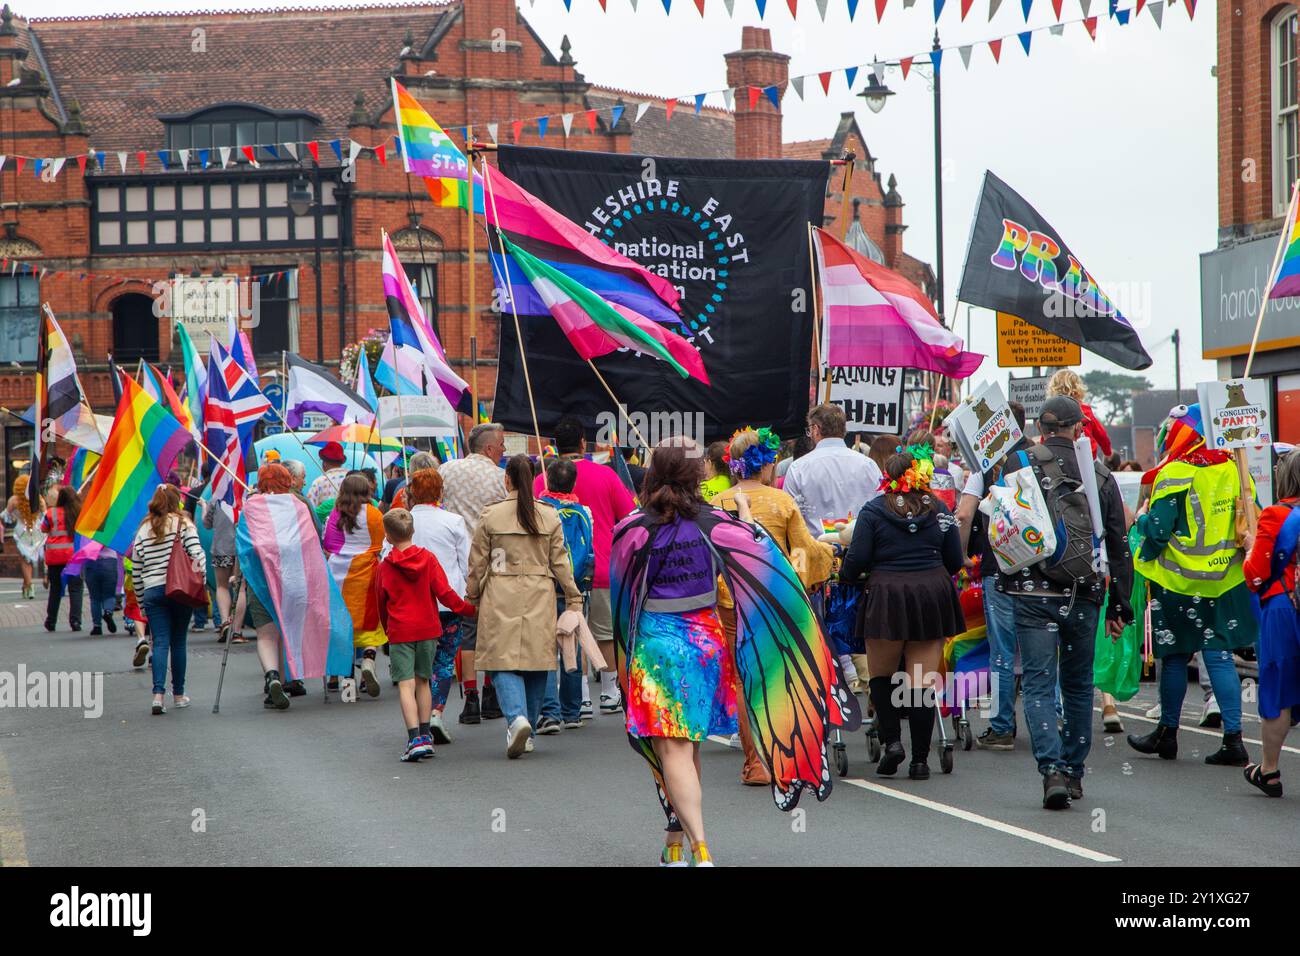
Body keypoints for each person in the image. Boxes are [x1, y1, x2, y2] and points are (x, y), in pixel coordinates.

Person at [999, 396, 1132, 808]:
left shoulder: (1017, 464)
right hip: (1084, 592)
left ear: (1042, 428)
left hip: (1032, 592)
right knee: (1077, 686)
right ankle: (1074, 772)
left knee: (1039, 684)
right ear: (1079, 429)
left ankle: (1051, 770)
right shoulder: (1099, 475)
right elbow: (1118, 544)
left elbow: (1001, 526)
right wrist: (1120, 606)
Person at [1127, 404, 1255, 768]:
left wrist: (1142, 522)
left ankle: (1167, 734)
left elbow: (1159, 530)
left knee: (1174, 656)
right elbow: (1249, 516)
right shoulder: (1234, 468)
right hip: (1223, 581)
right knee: (1217, 656)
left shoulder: (1174, 473)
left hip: (1179, 582)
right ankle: (1234, 738)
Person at [713, 427, 833, 785]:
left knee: (743, 678)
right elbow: (802, 553)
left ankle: (756, 764)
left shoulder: (718, 503)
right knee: (777, 675)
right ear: (765, 465)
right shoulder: (782, 502)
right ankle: (783, 755)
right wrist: (830, 556)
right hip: (774, 600)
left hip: (729, 598)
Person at [839, 445, 964, 780]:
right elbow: (955, 560)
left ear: (887, 477)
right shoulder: (940, 509)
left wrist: (846, 576)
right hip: (930, 595)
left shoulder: (872, 511)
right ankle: (920, 761)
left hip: (887, 595)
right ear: (920, 475)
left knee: (881, 675)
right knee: (921, 682)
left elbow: (857, 560)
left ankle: (893, 742)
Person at [467, 454, 583, 758]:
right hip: (540, 592)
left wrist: (471, 595)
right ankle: (527, 725)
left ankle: (516, 719)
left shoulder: (491, 515)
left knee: (501, 659)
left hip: (500, 591)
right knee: (537, 660)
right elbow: (561, 562)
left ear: (507, 480)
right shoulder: (548, 515)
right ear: (533, 480)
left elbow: (478, 562)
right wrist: (573, 596)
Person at [532, 416, 636, 718]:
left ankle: (579, 697)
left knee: (566, 631)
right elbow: (628, 516)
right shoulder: (606, 475)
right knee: (604, 632)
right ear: (582, 443)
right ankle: (608, 691)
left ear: (554, 444)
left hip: (556, 572)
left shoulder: (542, 478)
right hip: (602, 566)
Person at [955, 400, 1035, 749]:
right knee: (1043, 649)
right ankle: (1052, 718)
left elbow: (963, 515)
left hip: (998, 569)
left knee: (1001, 650)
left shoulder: (983, 467)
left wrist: (959, 556)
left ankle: (1002, 727)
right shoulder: (1041, 456)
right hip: (1041, 569)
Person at [376, 507, 478, 762]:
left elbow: (381, 601)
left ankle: (413, 739)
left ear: (387, 536)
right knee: (424, 680)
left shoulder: (385, 567)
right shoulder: (429, 559)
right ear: (413, 530)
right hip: (428, 628)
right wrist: (470, 610)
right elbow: (445, 594)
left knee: (405, 684)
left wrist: (388, 627)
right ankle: (425, 735)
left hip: (401, 630)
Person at [386, 467, 471, 744]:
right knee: (444, 662)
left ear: (411, 493)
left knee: (414, 672)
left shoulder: (402, 522)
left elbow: (386, 562)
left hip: (410, 608)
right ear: (440, 492)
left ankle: (417, 727)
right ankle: (435, 711)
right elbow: (466, 564)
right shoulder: (454, 521)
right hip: (448, 602)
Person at [441, 423, 508, 724]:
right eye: (503, 445)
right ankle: (490, 691)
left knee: (468, 631)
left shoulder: (446, 470)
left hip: (459, 558)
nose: (504, 450)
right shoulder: (499, 477)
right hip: (495, 557)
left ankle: (470, 698)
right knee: (494, 628)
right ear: (490, 449)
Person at [1242, 449, 1300, 797]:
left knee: (1279, 690)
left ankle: (1269, 770)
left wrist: (1250, 547)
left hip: (1284, 609)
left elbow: (1256, 575)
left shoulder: (1275, 515)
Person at [132, 484, 206, 714]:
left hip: (153, 591)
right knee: (179, 641)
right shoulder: (183, 524)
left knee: (160, 642)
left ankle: (157, 696)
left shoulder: (143, 529)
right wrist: (198, 575)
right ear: (176, 502)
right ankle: (179, 694)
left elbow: (136, 568)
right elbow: (197, 555)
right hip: (180, 589)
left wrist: (142, 602)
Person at [536, 457, 596, 734]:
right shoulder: (584, 511)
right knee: (572, 645)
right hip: (574, 586)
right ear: (574, 482)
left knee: (546, 647)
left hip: (545, 585)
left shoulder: (539, 510)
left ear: (547, 479)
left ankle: (549, 712)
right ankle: (572, 711)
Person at [324, 473, 387, 697]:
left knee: (344, 629)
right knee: (371, 623)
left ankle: (348, 689)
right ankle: (368, 659)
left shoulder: (336, 514)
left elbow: (328, 544)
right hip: (368, 573)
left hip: (339, 574)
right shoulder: (374, 514)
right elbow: (382, 542)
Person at [785, 403, 883, 537]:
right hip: (859, 547)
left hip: (817, 549)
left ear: (816, 429)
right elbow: (881, 509)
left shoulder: (799, 468)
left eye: (810, 429)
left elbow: (791, 517)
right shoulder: (868, 465)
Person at [40, 486, 83, 632]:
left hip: (55, 557)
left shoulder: (51, 513)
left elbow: (43, 528)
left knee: (56, 589)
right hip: (73, 556)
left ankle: (51, 621)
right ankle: (75, 621)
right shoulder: (78, 512)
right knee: (75, 589)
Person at [1047, 369, 1112, 460]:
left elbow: (1046, 436)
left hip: (1060, 457)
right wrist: (1108, 452)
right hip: (1088, 457)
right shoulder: (1085, 410)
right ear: (1078, 388)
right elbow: (1101, 435)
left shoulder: (1051, 413)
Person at [202, 492, 239, 642]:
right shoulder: (245, 495)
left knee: (222, 586)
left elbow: (206, 523)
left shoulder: (216, 499)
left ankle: (225, 622)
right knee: (240, 589)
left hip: (221, 548)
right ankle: (236, 629)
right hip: (240, 548)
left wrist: (204, 506)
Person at [4, 475, 44, 599]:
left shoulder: (14, 500)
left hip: (22, 531)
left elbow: (7, 516)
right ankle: (26, 585)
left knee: (25, 560)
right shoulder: (39, 498)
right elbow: (45, 515)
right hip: (36, 531)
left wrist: (14, 517)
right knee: (31, 559)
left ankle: (30, 585)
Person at [84, 547, 123, 636]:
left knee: (94, 598)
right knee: (109, 594)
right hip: (110, 561)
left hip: (91, 561)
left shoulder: (86, 533)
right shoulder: (110, 533)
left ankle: (97, 626)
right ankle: (108, 612)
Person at [306, 441, 350, 518]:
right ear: (341, 462)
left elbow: (310, 510)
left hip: (326, 527)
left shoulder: (319, 482)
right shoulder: (352, 478)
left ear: (325, 463)